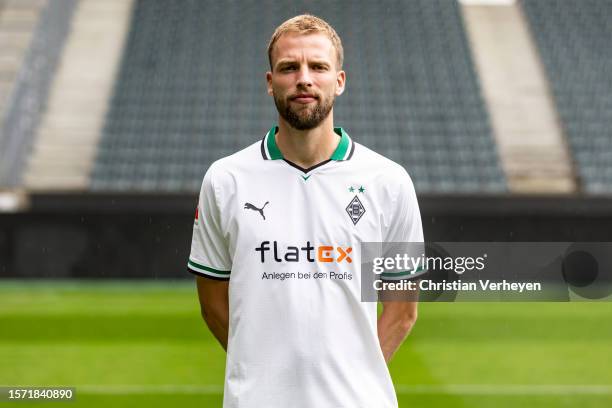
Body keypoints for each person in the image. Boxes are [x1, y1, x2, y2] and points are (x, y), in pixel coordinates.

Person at [188, 14, 423, 408]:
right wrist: (264, 375)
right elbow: (212, 304)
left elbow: (402, 310)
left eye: (318, 66)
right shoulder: (226, 179)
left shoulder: (389, 181)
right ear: (269, 82)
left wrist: (355, 380)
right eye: (288, 68)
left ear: (340, 80)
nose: (304, 78)